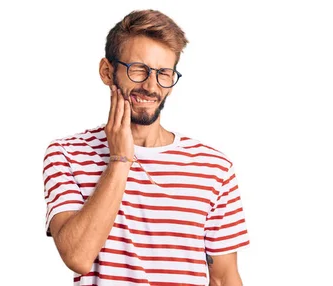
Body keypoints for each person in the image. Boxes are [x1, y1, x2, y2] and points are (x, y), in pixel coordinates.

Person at [42, 10, 249, 286]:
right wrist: (119, 159)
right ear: (107, 71)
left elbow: (224, 279)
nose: (151, 86)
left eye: (164, 73)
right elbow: (78, 256)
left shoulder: (214, 168)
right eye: (138, 69)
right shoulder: (67, 154)